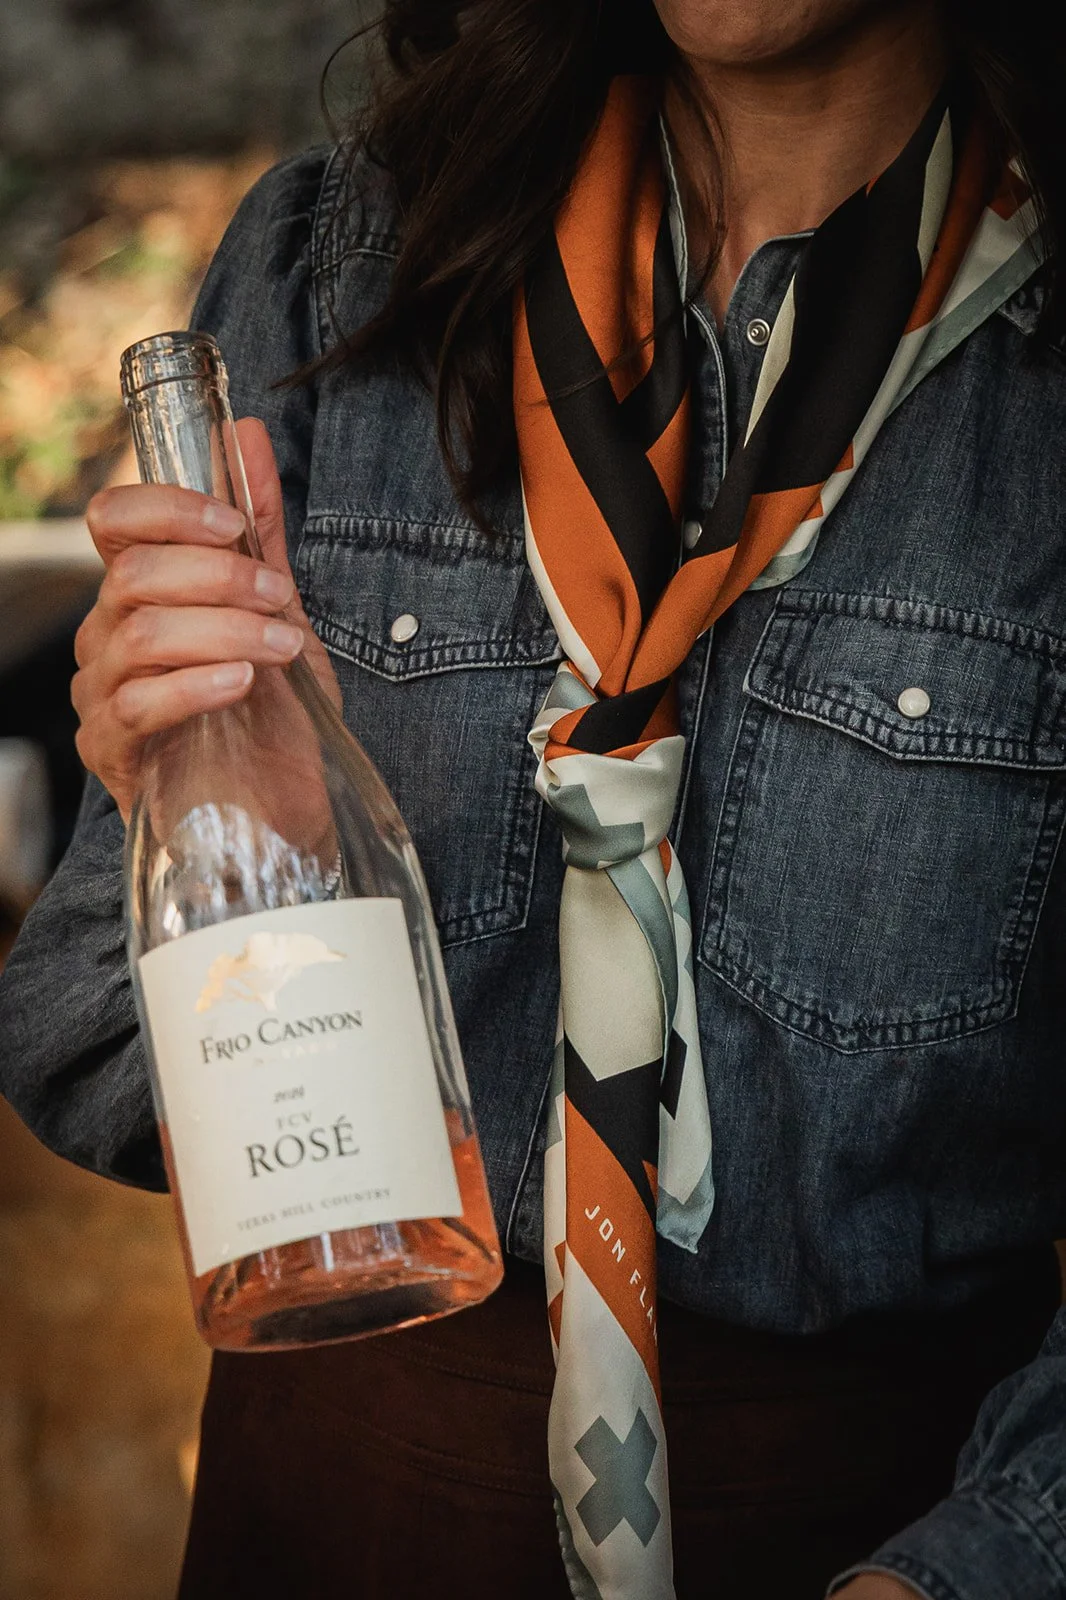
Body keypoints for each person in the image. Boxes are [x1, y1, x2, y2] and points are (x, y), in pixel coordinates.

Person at [2, 0, 1065, 1595]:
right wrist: (254, 868)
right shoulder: (333, 261)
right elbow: (79, 1046)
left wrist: (959, 1577)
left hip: (877, 1534)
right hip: (330, 1515)